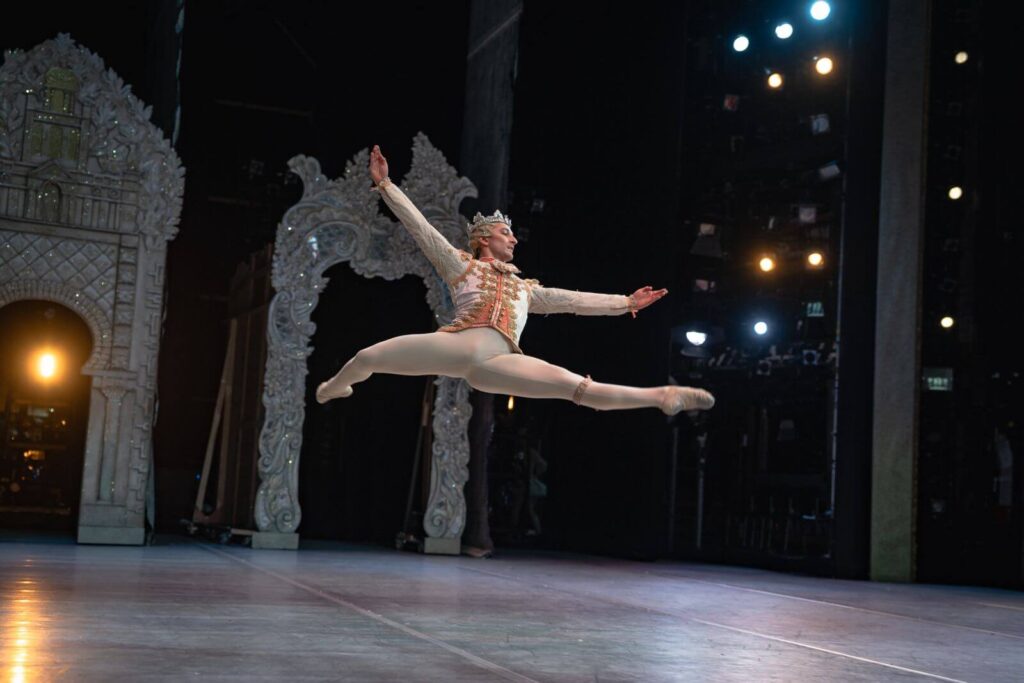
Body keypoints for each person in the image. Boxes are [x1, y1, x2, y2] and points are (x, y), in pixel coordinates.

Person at [316, 145, 715, 416]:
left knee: (578, 389)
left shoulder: (527, 290)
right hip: (455, 345)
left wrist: (625, 303)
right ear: (485, 238)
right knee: (367, 358)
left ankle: (661, 397)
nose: (515, 239)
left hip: (499, 362)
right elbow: (421, 229)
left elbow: (574, 301)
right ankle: (333, 387)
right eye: (507, 234)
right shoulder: (461, 266)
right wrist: (387, 186)